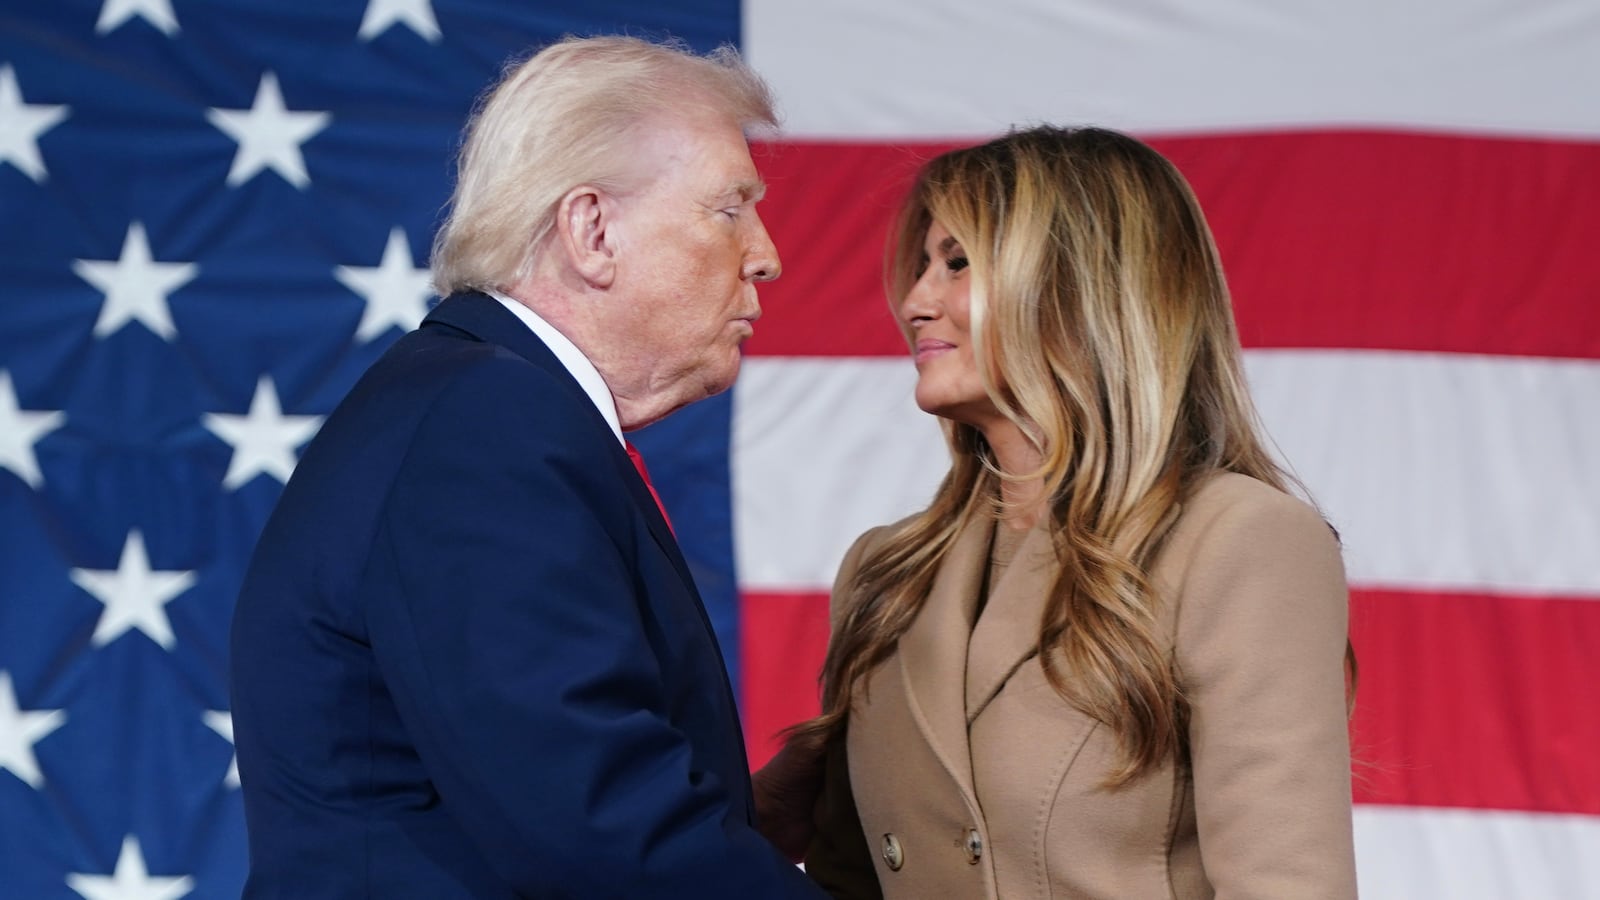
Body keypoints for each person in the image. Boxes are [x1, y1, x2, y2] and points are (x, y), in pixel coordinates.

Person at [229, 35, 825, 899]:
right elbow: (602, 830)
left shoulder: (474, 404)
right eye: (730, 209)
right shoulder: (488, 425)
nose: (766, 253)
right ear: (593, 231)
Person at [797, 126, 1358, 898]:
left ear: (1078, 285)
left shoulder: (1240, 540)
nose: (915, 301)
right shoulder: (882, 573)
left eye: (957, 263)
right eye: (922, 266)